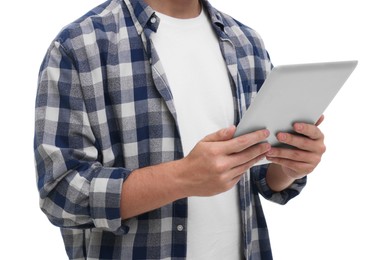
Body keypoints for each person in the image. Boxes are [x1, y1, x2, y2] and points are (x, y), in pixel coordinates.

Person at [34, 0, 326, 259]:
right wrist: (183, 177)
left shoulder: (247, 43)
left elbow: (263, 176)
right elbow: (61, 194)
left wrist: (291, 165)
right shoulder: (79, 45)